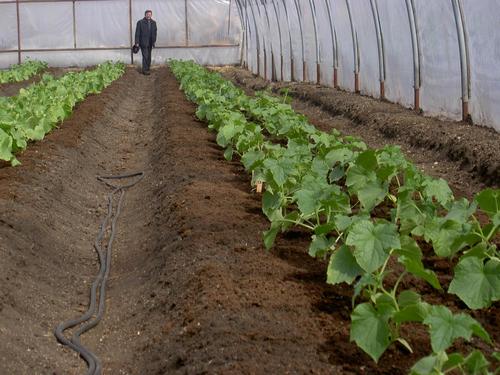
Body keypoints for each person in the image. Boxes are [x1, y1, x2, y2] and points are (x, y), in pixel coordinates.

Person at [134, 10, 157, 75]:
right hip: (143, 42)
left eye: (150, 14)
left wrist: (154, 41)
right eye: (147, 14)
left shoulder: (153, 22)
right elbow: (137, 33)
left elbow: (155, 32)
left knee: (149, 56)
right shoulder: (140, 22)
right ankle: (144, 70)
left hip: (150, 42)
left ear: (151, 15)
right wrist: (137, 42)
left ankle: (147, 68)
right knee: (145, 56)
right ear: (145, 14)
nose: (149, 15)